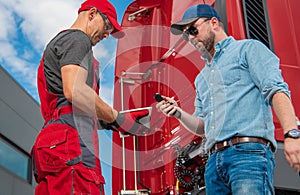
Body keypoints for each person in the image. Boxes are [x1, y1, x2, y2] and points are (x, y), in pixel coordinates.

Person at [156, 4, 300, 194]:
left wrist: (291, 134)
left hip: (247, 154)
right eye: (185, 35)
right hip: (214, 164)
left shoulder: (248, 49)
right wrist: (178, 113)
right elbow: (202, 127)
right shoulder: (202, 79)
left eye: (192, 29)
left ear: (213, 23)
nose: (189, 37)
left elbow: (277, 91)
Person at [31, 0, 150, 194]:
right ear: (92, 14)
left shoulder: (61, 43)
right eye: (107, 26)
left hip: (55, 142)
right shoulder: (78, 39)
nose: (106, 34)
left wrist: (111, 122)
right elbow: (74, 91)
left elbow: (66, 103)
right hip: (71, 144)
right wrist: (117, 118)